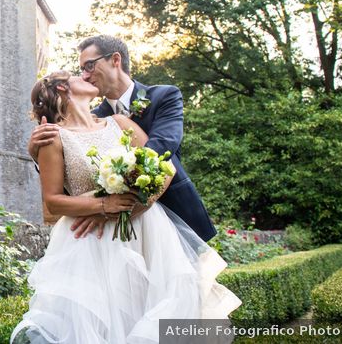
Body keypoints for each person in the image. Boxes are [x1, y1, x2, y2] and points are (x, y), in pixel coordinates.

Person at [11, 71, 240, 343]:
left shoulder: (119, 122)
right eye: (76, 74)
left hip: (148, 231)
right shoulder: (52, 138)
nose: (86, 76)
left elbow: (161, 167)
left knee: (161, 302)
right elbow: (52, 201)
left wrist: (137, 200)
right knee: (105, 318)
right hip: (92, 242)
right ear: (63, 87)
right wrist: (104, 204)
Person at [27, 36, 216, 242]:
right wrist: (38, 155)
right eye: (81, 70)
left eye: (89, 66)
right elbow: (70, 182)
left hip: (171, 216)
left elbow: (162, 148)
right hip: (104, 234)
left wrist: (114, 208)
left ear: (115, 60)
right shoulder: (96, 119)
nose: (85, 75)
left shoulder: (164, 96)